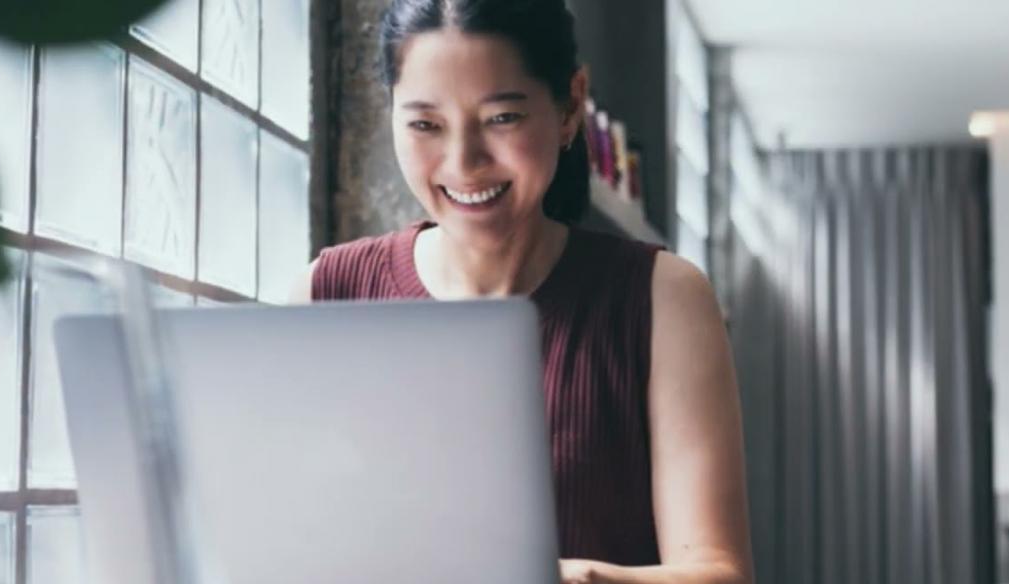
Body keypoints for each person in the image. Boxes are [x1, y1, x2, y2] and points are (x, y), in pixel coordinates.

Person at [290, 1, 754, 582]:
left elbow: (719, 572)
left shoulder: (664, 299)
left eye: (501, 118)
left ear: (569, 106)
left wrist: (564, 577)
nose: (464, 163)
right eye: (425, 124)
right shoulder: (329, 293)